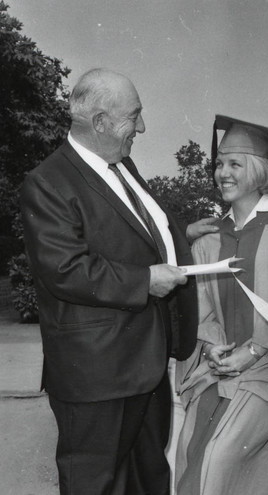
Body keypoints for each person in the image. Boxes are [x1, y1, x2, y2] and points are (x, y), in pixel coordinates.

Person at [20, 68, 217, 495]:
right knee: (97, 484)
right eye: (135, 116)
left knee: (148, 480)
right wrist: (144, 280)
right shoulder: (48, 182)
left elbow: (129, 236)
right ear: (101, 123)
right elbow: (64, 269)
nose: (142, 127)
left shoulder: (121, 165)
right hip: (97, 374)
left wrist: (179, 237)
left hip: (144, 365)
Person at [174, 115, 268, 495]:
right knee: (189, 451)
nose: (222, 173)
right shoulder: (209, 239)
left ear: (259, 170)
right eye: (219, 164)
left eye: (234, 164)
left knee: (221, 454)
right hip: (221, 368)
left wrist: (256, 350)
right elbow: (203, 312)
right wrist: (211, 349)